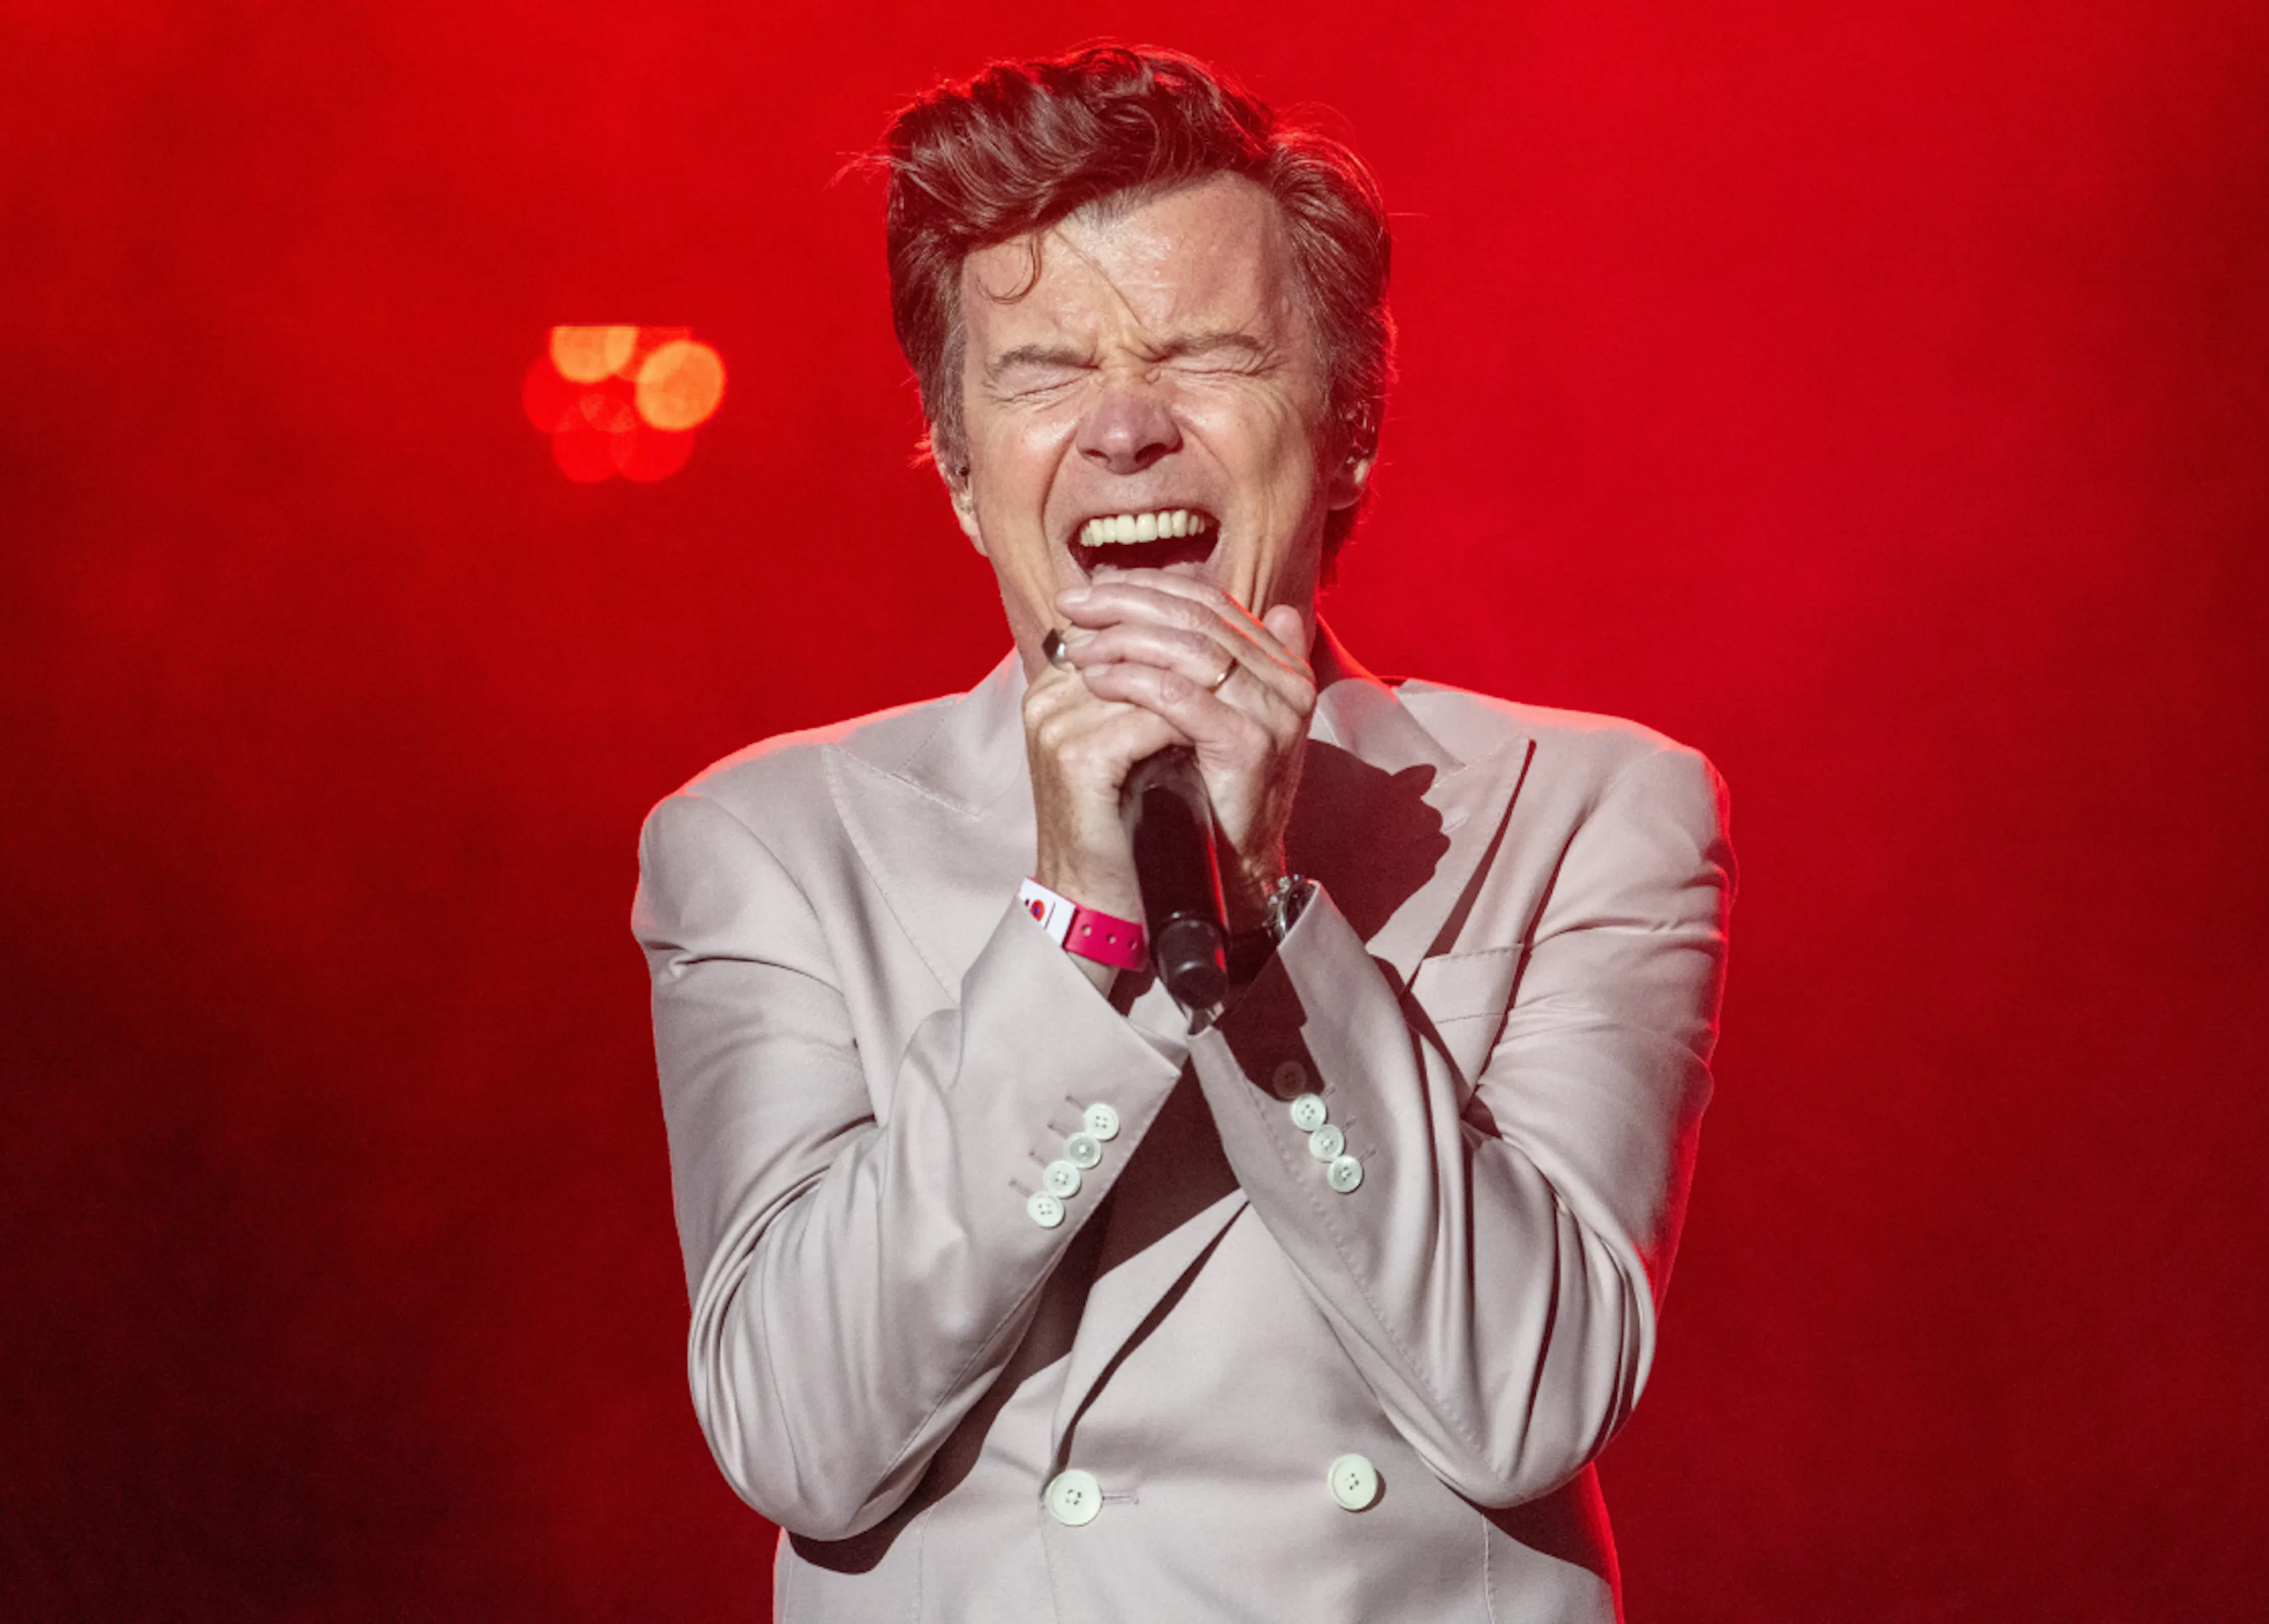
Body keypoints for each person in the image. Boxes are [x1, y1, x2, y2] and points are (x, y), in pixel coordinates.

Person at [632, 44, 1733, 1622]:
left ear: (1348, 430)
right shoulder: (767, 841)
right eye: (1042, 371)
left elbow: (1529, 1395)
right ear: (957, 467)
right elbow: (803, 1437)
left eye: (1205, 353)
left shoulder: (1591, 808)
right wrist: (1079, 933)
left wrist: (1267, 914)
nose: (1126, 425)